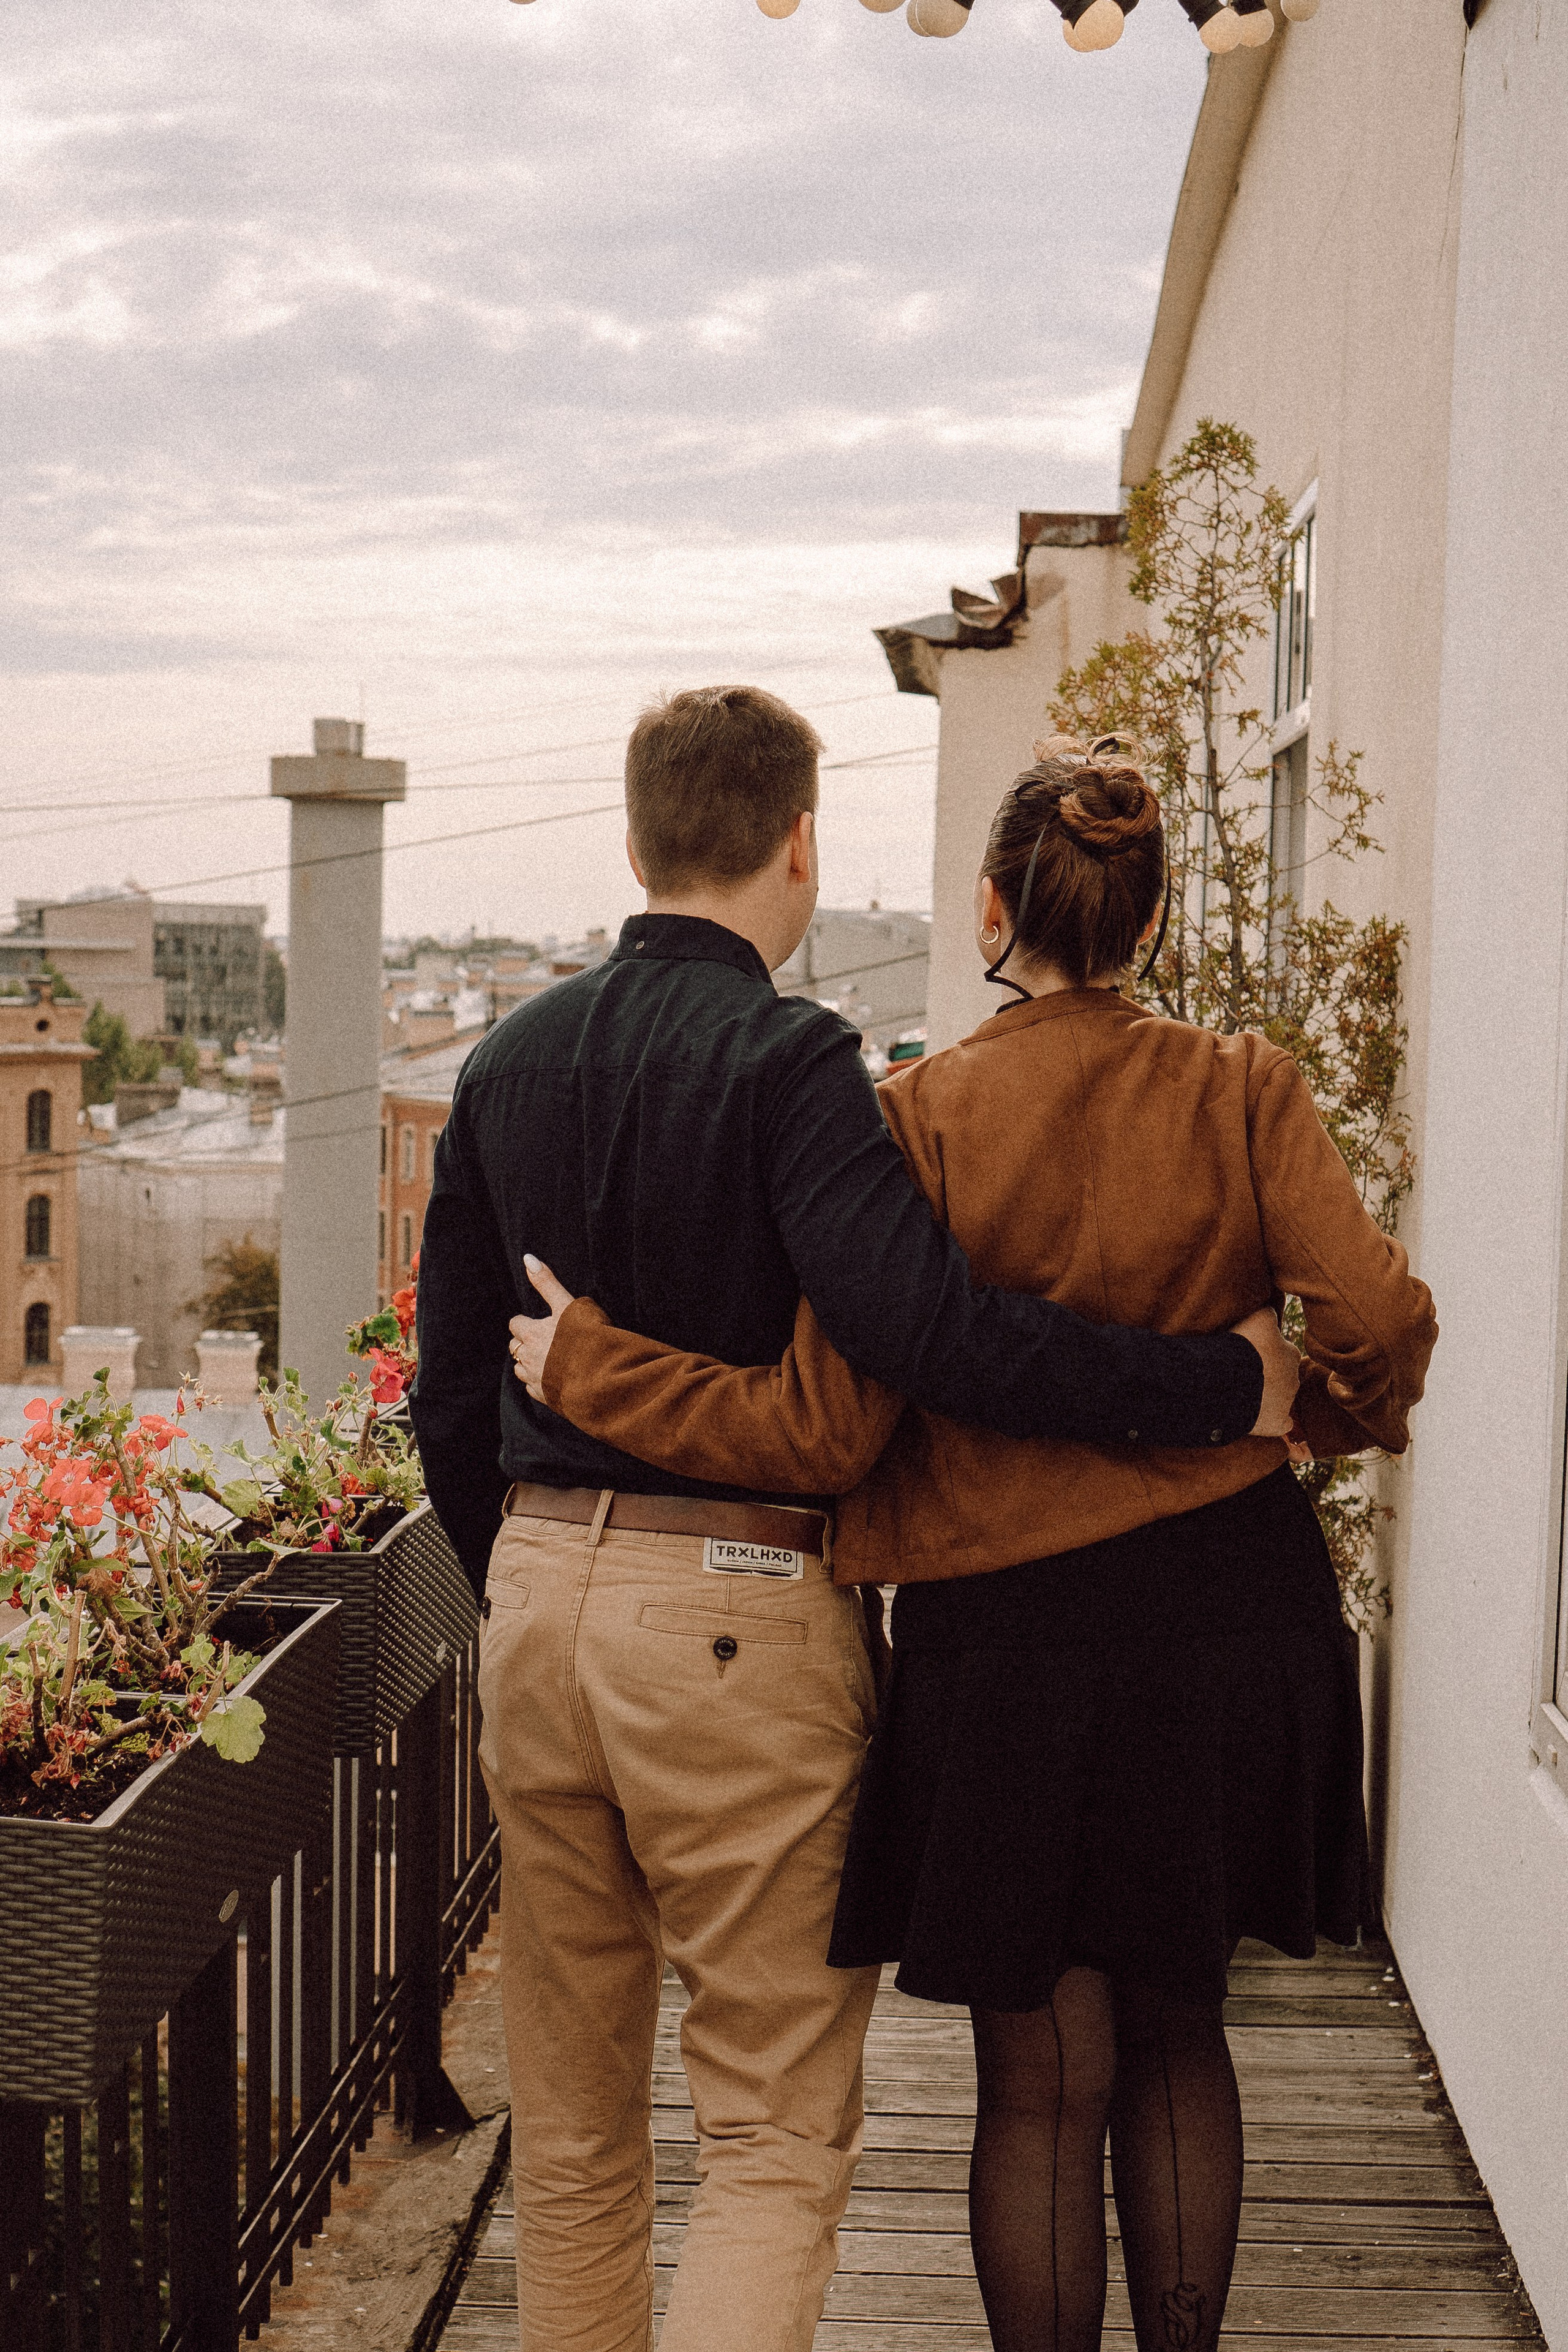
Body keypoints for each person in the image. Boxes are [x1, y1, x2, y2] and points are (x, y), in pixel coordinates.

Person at [505, 734, 1438, 2352]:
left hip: (1004, 1643)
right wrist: (1301, 1421)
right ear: (1145, 919)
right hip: (1226, 1607)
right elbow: (1374, 1319)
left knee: (1039, 2071)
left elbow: (827, 1418)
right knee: (1175, 2032)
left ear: (998, 906)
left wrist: (596, 1369)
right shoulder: (1244, 1090)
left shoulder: (916, 1117)